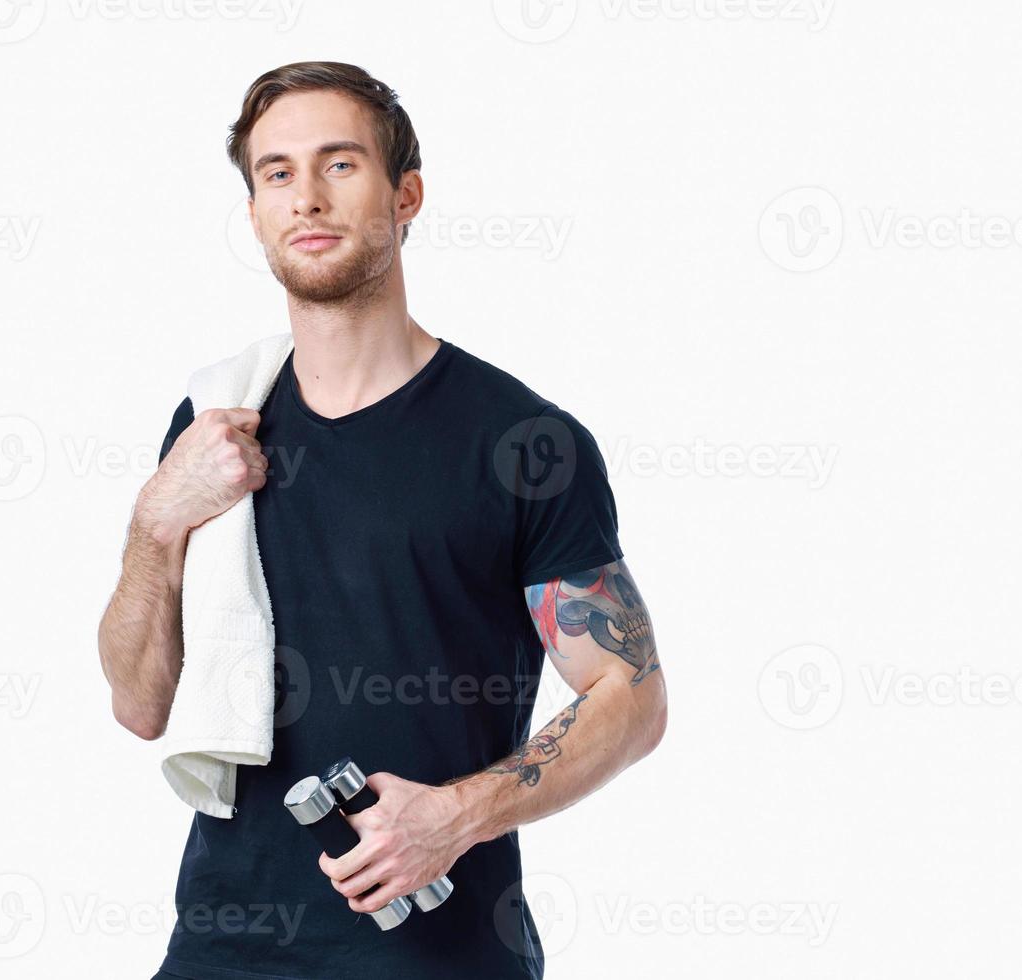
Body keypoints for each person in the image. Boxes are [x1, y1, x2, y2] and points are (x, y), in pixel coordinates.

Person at [98, 61, 668, 980]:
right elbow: (138, 704)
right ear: (254, 214)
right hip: (222, 943)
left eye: (340, 164)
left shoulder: (522, 441)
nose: (307, 197)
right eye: (277, 173)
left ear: (406, 196)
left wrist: (455, 815)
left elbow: (632, 698)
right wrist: (155, 522)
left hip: (438, 952)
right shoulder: (215, 424)